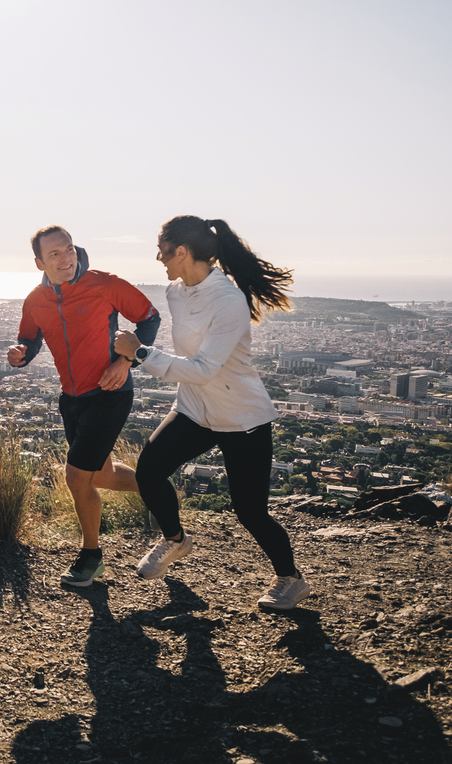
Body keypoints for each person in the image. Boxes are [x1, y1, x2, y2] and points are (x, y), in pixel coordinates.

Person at [113, 216, 310, 612]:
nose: (159, 258)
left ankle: (291, 579)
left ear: (182, 252)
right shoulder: (175, 292)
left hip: (241, 416)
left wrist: (141, 353)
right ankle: (174, 539)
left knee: (250, 511)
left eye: (163, 251)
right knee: (149, 470)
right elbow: (191, 364)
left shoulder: (228, 300)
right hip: (195, 407)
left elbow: (205, 367)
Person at [8, 225, 161, 587]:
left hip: (110, 391)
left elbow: (150, 317)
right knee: (102, 476)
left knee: (76, 477)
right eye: (55, 254)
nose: (65, 259)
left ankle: (91, 557)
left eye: (69, 249)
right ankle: (156, 489)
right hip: (72, 398)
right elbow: (29, 339)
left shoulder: (105, 284)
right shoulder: (34, 300)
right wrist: (20, 355)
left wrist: (126, 362)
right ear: (39, 262)